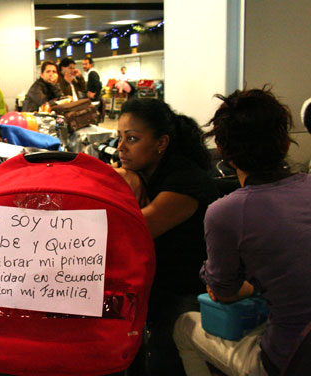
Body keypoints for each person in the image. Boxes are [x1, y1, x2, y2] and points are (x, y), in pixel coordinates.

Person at [173, 87, 311, 376]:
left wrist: (249, 286)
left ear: (223, 152)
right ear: (286, 142)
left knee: (184, 326)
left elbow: (223, 292)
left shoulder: (226, 212)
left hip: (288, 359)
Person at [115, 98, 218, 375]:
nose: (120, 147)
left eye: (132, 138)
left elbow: (133, 232)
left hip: (186, 293)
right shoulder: (146, 170)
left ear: (161, 142)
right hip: (154, 287)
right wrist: (127, 174)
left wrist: (125, 178)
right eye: (119, 137)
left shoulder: (186, 181)